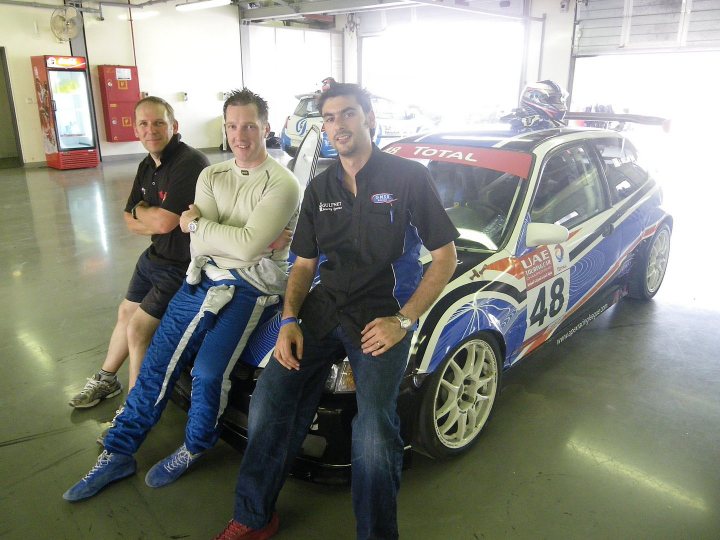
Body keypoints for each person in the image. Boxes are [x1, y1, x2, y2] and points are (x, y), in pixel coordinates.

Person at [214, 83, 459, 540]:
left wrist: (403, 320)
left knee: (372, 430)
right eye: (329, 118)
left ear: (367, 117)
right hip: (325, 307)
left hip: (382, 314)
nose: (338, 125)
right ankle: (253, 517)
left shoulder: (407, 177)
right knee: (270, 398)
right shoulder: (321, 186)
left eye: (347, 114)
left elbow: (445, 257)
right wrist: (289, 318)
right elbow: (303, 263)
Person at [63, 88, 302, 502]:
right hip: (201, 276)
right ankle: (120, 450)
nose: (240, 135)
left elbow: (239, 248)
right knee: (158, 360)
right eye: (232, 126)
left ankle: (196, 443)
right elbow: (207, 244)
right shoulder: (212, 175)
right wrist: (239, 238)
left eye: (249, 125)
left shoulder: (282, 184)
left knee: (209, 373)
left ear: (266, 126)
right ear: (224, 129)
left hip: (251, 287)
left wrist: (205, 228)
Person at [68, 97, 208, 411]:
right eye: (143, 123)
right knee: (124, 314)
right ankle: (107, 378)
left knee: (139, 329)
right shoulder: (148, 164)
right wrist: (149, 217)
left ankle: (134, 408)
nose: (151, 130)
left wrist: (145, 213)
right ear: (135, 129)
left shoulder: (189, 163)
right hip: (154, 257)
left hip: (182, 265)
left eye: (159, 122)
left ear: (174, 126)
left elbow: (164, 220)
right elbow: (129, 219)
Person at [501, 79, 568, 132]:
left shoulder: (547, 125)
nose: (558, 103)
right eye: (553, 99)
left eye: (559, 100)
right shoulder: (516, 125)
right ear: (534, 98)